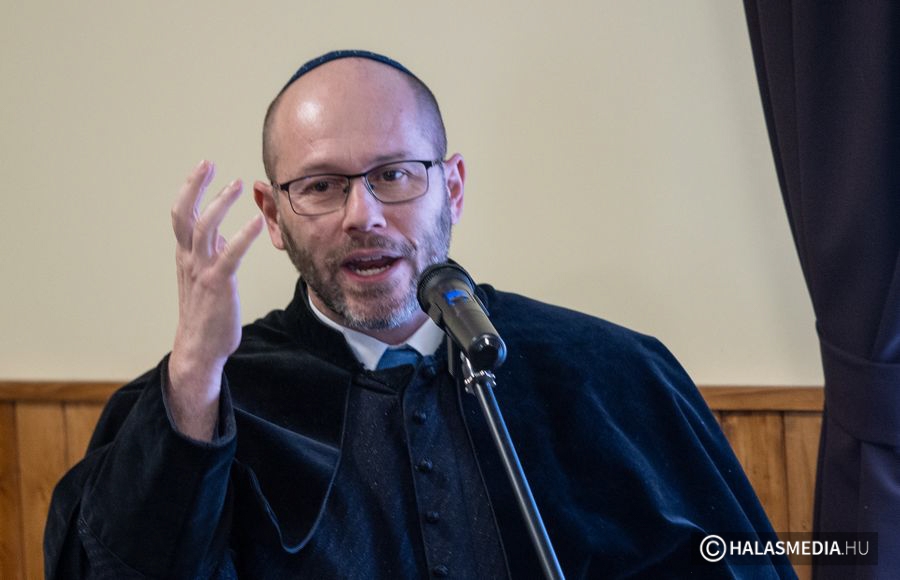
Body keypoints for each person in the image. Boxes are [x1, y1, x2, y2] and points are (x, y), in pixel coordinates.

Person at [45, 50, 793, 579]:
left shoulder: (611, 371)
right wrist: (193, 374)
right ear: (273, 215)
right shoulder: (209, 397)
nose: (362, 215)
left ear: (453, 188)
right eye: (321, 186)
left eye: (395, 174)